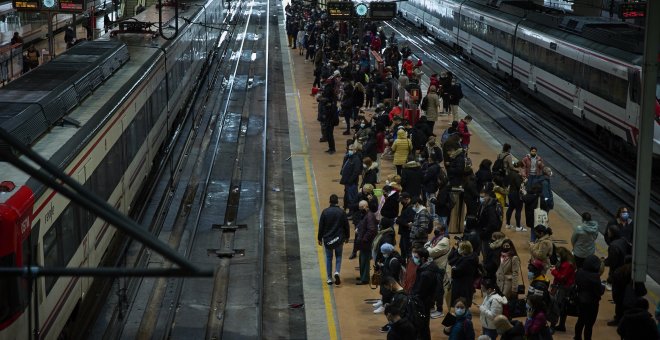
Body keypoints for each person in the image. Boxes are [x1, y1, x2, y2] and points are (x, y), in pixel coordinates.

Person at [317, 194, 350, 285]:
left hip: (328, 239)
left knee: (329, 258)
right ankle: (337, 272)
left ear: (329, 201)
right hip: (339, 238)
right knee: (338, 256)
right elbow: (346, 226)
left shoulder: (325, 212)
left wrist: (319, 238)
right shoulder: (341, 212)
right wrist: (347, 237)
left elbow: (321, 227)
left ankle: (329, 278)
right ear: (337, 202)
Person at [410, 248, 442, 340]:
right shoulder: (430, 266)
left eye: (416, 257)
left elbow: (420, 290)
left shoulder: (426, 273)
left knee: (421, 326)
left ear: (423, 258)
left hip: (423, 302)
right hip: (427, 300)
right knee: (424, 325)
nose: (414, 259)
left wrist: (413, 297)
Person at [574, 255, 605, 340]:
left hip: (580, 300)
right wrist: (603, 286)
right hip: (592, 303)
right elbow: (599, 291)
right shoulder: (595, 277)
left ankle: (577, 337)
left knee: (580, 321)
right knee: (589, 325)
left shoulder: (579, 272)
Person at [549, 247, 576, 332]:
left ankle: (552, 326)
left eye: (558, 256)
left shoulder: (567, 265)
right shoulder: (568, 262)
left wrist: (553, 271)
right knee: (563, 307)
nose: (557, 257)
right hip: (563, 287)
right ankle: (561, 325)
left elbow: (562, 277)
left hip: (563, 289)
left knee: (556, 306)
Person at [426, 224, 450, 319]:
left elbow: (430, 252)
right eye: (435, 227)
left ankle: (439, 310)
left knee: (438, 290)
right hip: (433, 267)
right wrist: (428, 246)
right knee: (431, 288)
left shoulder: (444, 241)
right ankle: (431, 307)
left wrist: (428, 247)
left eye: (437, 229)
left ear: (443, 231)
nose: (435, 229)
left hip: (439, 269)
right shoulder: (436, 238)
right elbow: (427, 246)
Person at [448, 241, 478, 308]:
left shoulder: (466, 260)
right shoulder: (472, 256)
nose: (458, 249)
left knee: (461, 302)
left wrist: (453, 269)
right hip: (467, 282)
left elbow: (457, 271)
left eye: (459, 247)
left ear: (464, 250)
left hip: (462, 284)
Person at [354, 200, 378, 285]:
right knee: (362, 259)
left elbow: (371, 230)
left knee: (365, 261)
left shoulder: (369, 216)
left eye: (361, 207)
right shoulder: (365, 215)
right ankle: (363, 275)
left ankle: (365, 279)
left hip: (366, 243)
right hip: (363, 243)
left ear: (365, 206)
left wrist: (364, 239)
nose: (360, 209)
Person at [604, 225, 630, 292]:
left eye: (609, 232)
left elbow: (612, 262)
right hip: (623, 264)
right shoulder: (623, 239)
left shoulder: (613, 246)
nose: (608, 233)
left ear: (612, 233)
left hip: (616, 268)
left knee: (614, 283)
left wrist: (603, 262)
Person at [477, 190, 502, 260]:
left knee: (486, 253)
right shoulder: (491, 205)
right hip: (487, 233)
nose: (483, 198)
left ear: (489, 197)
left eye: (484, 196)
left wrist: (485, 231)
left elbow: (493, 223)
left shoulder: (491, 207)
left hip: (488, 235)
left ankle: (487, 266)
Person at [340, 144, 362, 217]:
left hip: (352, 183)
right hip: (347, 182)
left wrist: (350, 180)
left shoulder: (356, 159)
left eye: (351, 150)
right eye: (349, 149)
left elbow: (356, 172)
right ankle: (349, 210)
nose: (349, 151)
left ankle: (352, 213)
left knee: (352, 198)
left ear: (355, 150)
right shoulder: (349, 157)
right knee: (348, 197)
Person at [505, 161, 526, 232]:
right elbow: (519, 185)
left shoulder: (511, 173)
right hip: (516, 194)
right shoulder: (517, 175)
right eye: (522, 168)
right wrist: (524, 181)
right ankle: (518, 226)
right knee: (518, 209)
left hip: (510, 193)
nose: (523, 169)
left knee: (510, 208)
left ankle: (507, 224)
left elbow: (506, 181)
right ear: (519, 167)